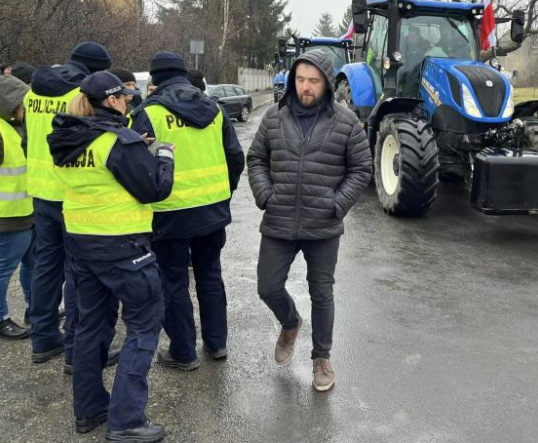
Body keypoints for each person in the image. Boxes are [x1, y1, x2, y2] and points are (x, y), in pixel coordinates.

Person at [48, 71, 173, 442]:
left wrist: (135, 148)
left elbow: (102, 173)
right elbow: (155, 188)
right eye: (125, 99)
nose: (128, 103)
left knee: (89, 327)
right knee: (143, 326)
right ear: (112, 101)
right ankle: (126, 420)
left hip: (82, 247)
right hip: (124, 249)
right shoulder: (118, 141)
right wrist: (162, 154)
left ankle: (89, 410)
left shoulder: (67, 140)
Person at [247, 49, 372, 392]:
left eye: (313, 81)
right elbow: (256, 157)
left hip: (323, 226)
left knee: (322, 293)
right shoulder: (274, 117)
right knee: (267, 286)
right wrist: (265, 195)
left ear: (327, 84)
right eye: (300, 79)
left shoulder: (345, 122)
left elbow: (362, 168)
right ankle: (290, 322)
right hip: (279, 220)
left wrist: (337, 204)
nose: (305, 87)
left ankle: (322, 358)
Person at [130, 51, 244, 369]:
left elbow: (137, 164)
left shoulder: (148, 113)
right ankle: (217, 344)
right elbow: (235, 157)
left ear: (155, 79)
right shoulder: (215, 109)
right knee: (210, 276)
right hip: (211, 210)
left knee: (173, 282)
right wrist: (223, 193)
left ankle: (183, 352)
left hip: (168, 213)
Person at [24, 42, 113, 366]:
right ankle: (77, 351)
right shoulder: (80, 94)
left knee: (45, 265)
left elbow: (26, 139)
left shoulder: (33, 91)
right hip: (73, 192)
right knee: (79, 271)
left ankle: (44, 338)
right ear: (95, 68)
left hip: (40, 190)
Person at [0, 75, 33, 339]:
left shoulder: (13, 128)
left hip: (23, 214)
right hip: (5, 217)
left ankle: (38, 309)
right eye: (23, 104)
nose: (26, 109)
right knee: (1, 271)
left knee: (32, 264)